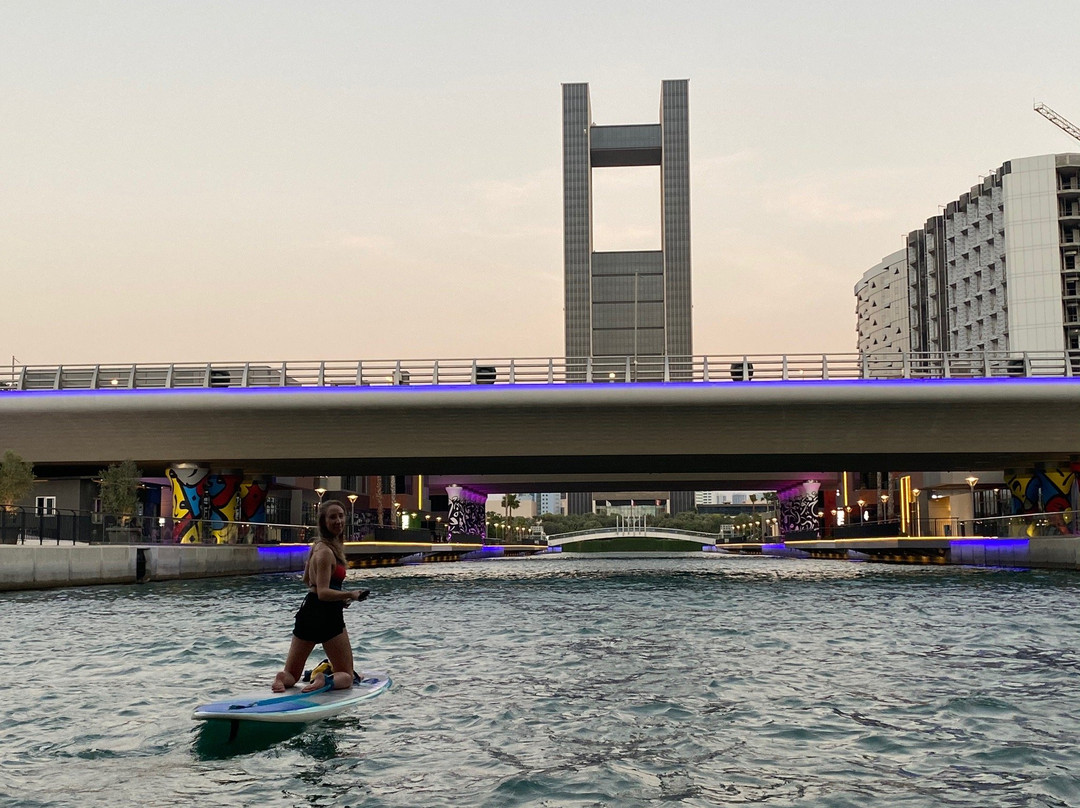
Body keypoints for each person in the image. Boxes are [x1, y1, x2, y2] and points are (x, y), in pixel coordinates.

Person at [272, 499, 369, 692]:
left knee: (292, 674)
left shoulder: (317, 547)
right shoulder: (326, 553)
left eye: (341, 516)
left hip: (308, 611)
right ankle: (324, 680)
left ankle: (280, 679)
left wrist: (339, 598)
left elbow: (308, 581)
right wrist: (351, 594)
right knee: (347, 675)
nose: (338, 521)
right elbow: (324, 593)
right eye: (333, 517)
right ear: (323, 521)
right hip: (328, 616)